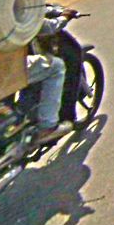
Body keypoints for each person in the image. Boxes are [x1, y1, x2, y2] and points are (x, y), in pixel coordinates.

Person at [27, 9, 76, 146]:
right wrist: (64, 17)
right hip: (8, 67)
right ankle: (47, 127)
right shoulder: (10, 9)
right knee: (56, 67)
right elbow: (45, 26)